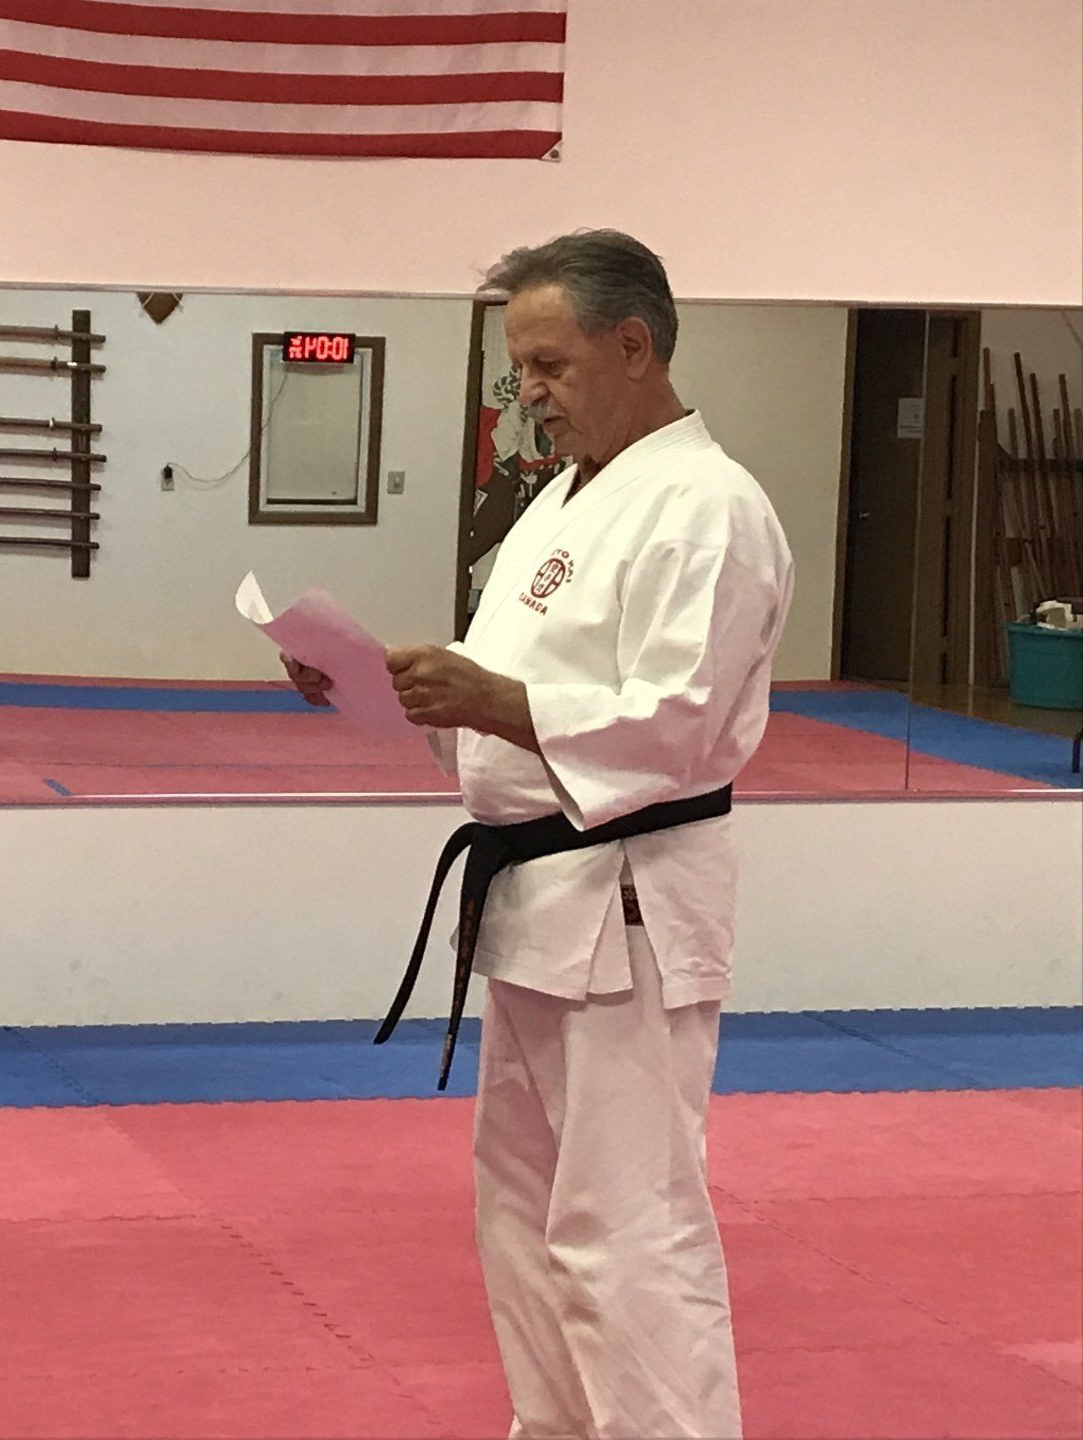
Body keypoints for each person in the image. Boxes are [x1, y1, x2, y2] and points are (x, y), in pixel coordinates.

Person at [285, 229, 793, 1439]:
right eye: (520, 368)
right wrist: (392, 689)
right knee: (522, 1211)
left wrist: (491, 698)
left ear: (635, 345)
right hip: (532, 902)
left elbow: (677, 725)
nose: (530, 394)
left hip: (630, 896)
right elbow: (507, 712)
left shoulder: (708, 508)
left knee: (630, 1221)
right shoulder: (559, 503)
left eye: (550, 365)